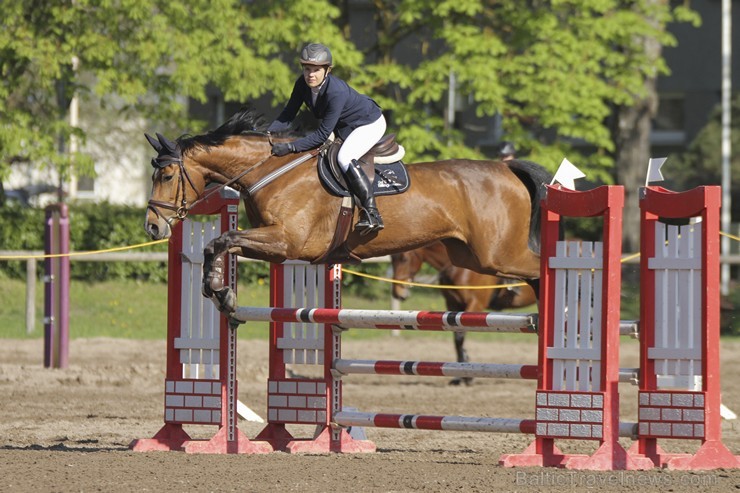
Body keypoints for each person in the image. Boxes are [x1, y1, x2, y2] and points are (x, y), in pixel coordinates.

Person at [267, 43, 386, 234]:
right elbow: (288, 113)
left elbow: (322, 135)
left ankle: (372, 212)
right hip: (345, 125)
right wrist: (268, 135)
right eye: (307, 69)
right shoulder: (302, 84)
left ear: (327, 70)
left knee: (344, 157)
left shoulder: (335, 91)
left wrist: (290, 147)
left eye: (316, 70)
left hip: (368, 123)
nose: (310, 75)